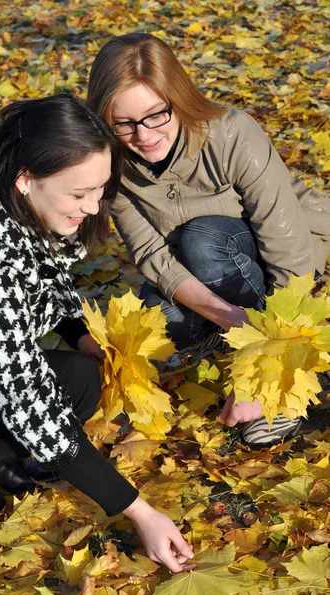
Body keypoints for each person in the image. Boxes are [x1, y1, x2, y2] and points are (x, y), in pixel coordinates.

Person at [0, 94, 194, 573]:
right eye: (79, 195)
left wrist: (78, 332)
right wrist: (137, 510)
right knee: (57, 395)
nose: (94, 207)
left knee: (79, 374)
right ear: (27, 179)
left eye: (100, 189)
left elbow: (38, 262)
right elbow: (28, 400)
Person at [87, 33, 330, 449]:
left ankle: (287, 369)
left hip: (272, 247)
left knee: (204, 239)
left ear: (177, 98)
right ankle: (228, 330)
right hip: (192, 265)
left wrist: (264, 364)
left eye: (155, 115)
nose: (143, 136)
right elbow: (151, 254)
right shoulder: (112, 161)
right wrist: (228, 318)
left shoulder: (232, 134)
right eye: (123, 123)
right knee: (162, 322)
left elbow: (287, 251)